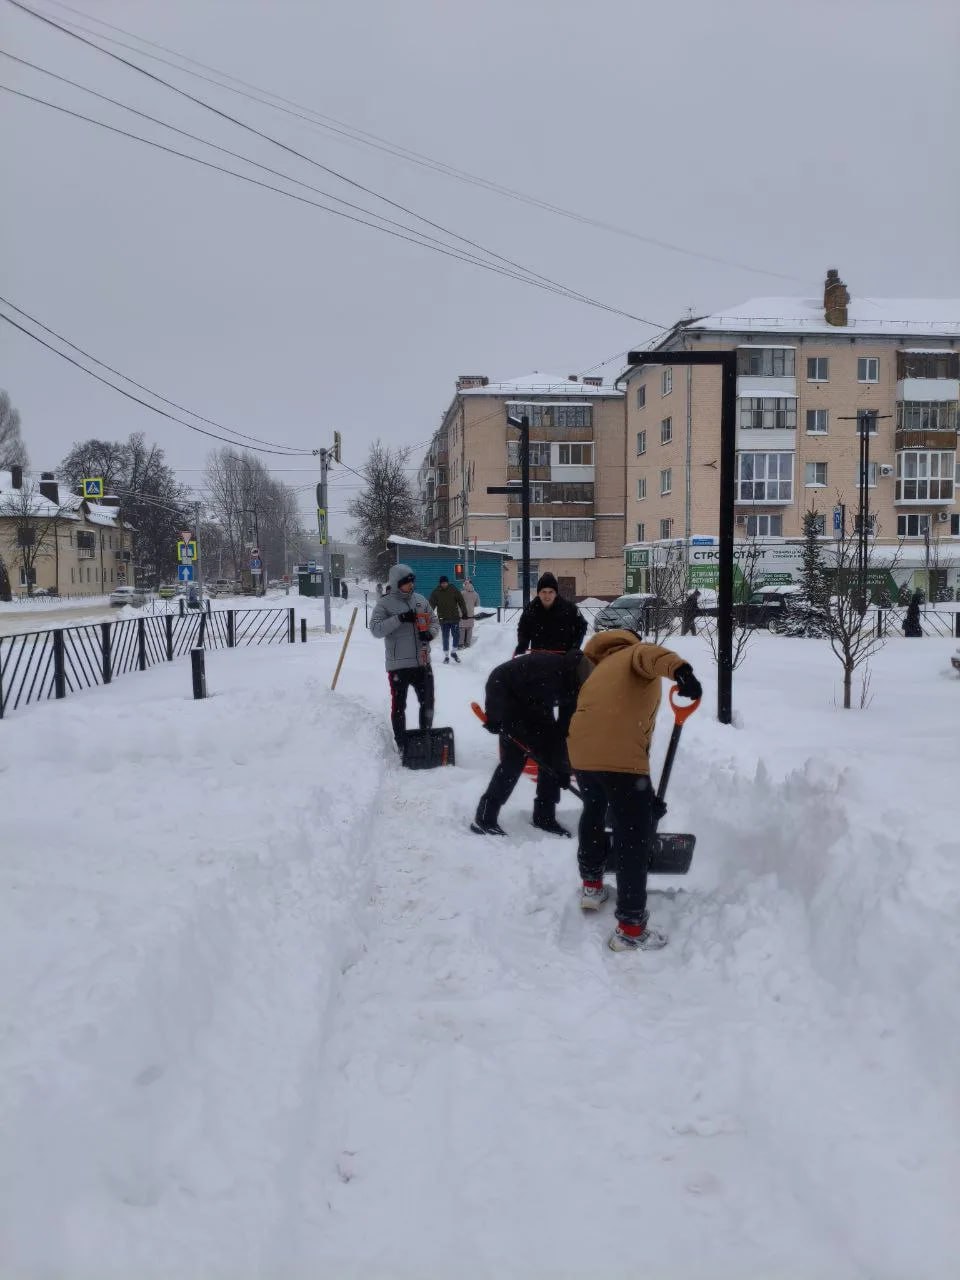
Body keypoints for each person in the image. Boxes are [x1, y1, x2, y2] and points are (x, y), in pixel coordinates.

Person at [567, 629, 702, 953]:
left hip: (583, 757)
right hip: (619, 760)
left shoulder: (598, 671)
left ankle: (592, 885)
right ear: (632, 640)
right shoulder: (634, 654)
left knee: (594, 812)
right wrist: (682, 672)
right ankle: (630, 927)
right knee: (632, 837)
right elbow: (652, 656)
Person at [473, 650, 592, 837]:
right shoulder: (548, 670)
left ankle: (544, 817)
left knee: (551, 757)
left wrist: (562, 770)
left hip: (535, 706)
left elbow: (563, 730)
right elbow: (499, 678)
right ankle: (485, 817)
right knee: (513, 760)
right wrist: (495, 717)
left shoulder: (577, 686)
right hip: (508, 695)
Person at [369, 563, 440, 749]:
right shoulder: (385, 603)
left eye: (412, 582)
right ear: (396, 583)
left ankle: (425, 737)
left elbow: (434, 621)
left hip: (422, 663)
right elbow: (375, 629)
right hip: (398, 666)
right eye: (406, 583)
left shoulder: (420, 600)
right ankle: (401, 743)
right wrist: (399, 619)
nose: (411, 585)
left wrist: (430, 634)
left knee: (428, 702)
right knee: (399, 706)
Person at [514, 573, 587, 656]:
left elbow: (582, 625)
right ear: (538, 593)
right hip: (538, 658)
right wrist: (522, 644)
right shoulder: (531, 609)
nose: (547, 596)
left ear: (556, 593)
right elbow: (523, 629)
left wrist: (575, 646)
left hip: (563, 658)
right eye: (544, 592)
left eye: (550, 592)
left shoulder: (569, 608)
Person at [429, 574, 468, 664]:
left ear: (448, 582)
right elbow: (431, 605)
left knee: (456, 636)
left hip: (454, 618)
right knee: (445, 637)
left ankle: (453, 652)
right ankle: (446, 656)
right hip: (443, 619)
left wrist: (464, 612)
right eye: (442, 583)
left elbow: (461, 601)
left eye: (445, 583)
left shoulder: (453, 589)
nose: (444, 584)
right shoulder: (436, 592)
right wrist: (428, 616)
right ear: (440, 584)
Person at [459, 577, 480, 648]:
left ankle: (461, 644)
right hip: (471, 615)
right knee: (469, 629)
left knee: (462, 629)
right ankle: (467, 643)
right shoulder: (476, 594)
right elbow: (477, 605)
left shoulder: (461, 593)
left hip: (462, 615)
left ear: (465, 584)